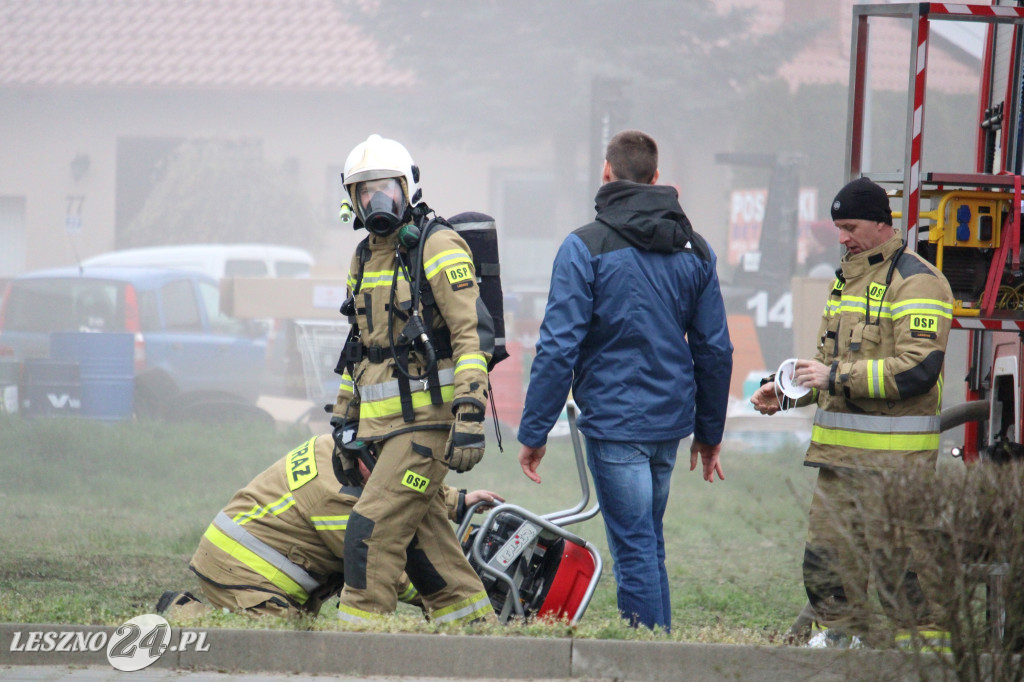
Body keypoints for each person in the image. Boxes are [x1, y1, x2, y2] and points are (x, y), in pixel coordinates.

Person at [516, 130, 734, 631]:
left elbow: (557, 348)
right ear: (657, 179)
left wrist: (533, 433)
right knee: (648, 543)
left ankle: (645, 658)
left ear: (607, 173)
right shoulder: (696, 251)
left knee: (635, 547)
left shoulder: (582, 247)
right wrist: (709, 432)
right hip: (668, 425)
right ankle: (660, 651)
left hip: (616, 424)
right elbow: (714, 349)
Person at [750, 177, 954, 645]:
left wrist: (833, 376)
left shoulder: (919, 280)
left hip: (895, 466)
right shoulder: (847, 279)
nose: (842, 237)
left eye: (850, 226)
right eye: (838, 226)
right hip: (840, 463)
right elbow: (828, 367)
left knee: (906, 578)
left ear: (884, 224)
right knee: (825, 566)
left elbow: (918, 369)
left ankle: (925, 664)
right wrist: (784, 393)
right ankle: (843, 648)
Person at [331, 134, 497, 625]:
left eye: (384, 188)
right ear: (352, 200)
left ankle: (357, 648)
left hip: (428, 427)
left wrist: (469, 415)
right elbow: (359, 350)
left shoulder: (438, 245)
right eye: (364, 192)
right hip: (384, 429)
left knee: (371, 529)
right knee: (430, 554)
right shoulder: (363, 258)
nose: (375, 201)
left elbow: (471, 335)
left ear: (408, 187)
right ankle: (480, 638)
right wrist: (344, 419)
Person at [159, 433, 502, 618]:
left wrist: (457, 500)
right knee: (278, 643)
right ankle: (182, 612)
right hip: (240, 571)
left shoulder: (335, 446)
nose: (388, 473)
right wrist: (437, 595)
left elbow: (401, 484)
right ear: (365, 460)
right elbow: (375, 564)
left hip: (239, 555)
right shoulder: (336, 500)